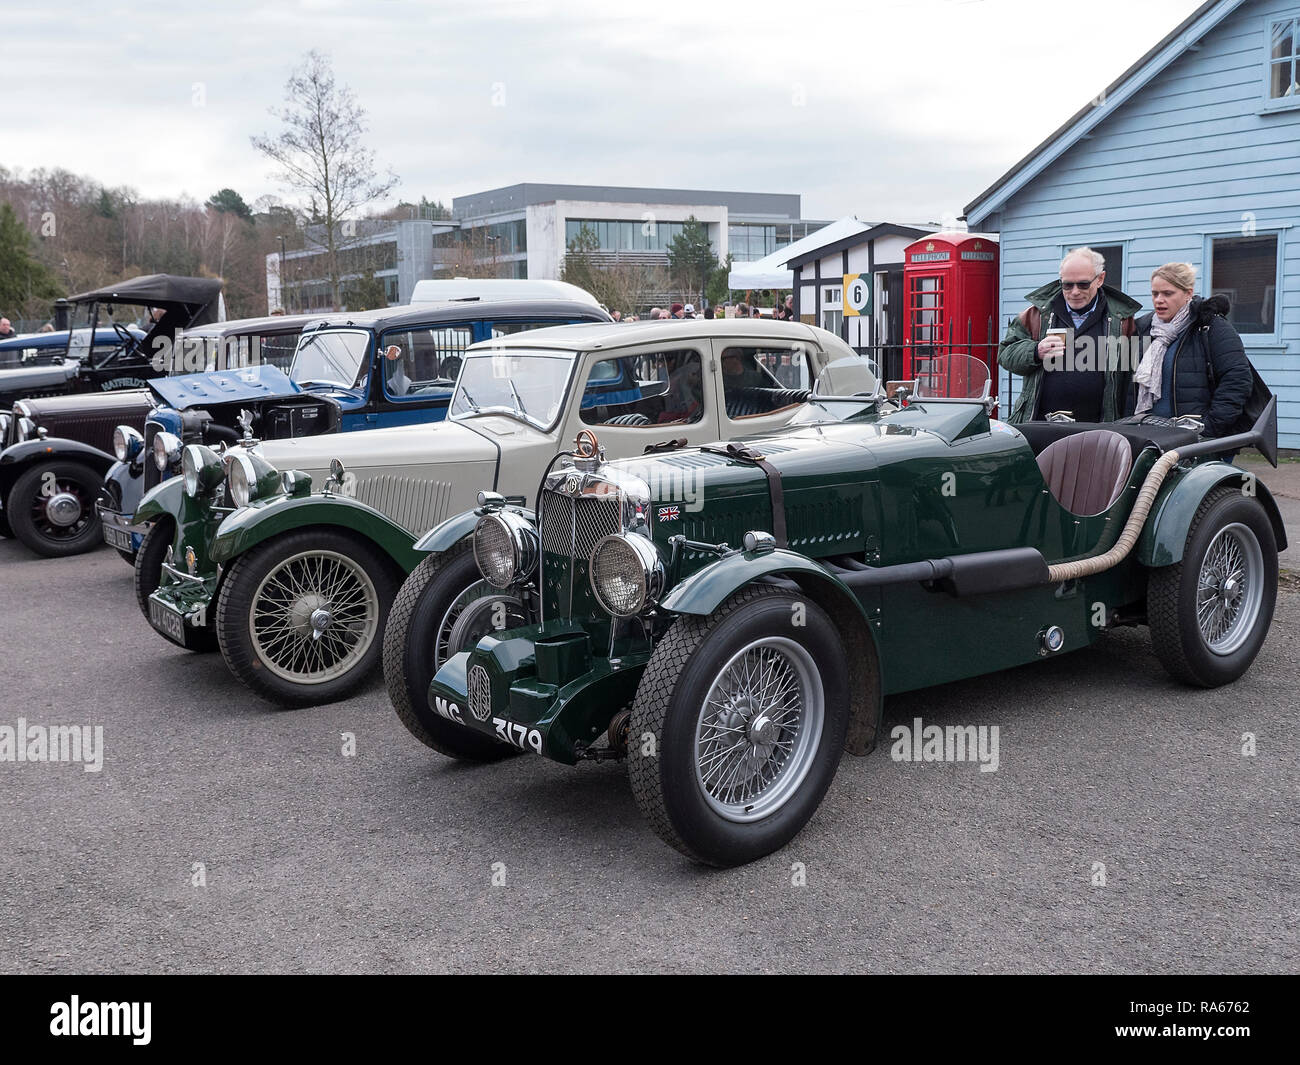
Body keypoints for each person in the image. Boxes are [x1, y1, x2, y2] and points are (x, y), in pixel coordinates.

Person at [997, 246, 1141, 423]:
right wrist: (1035, 351)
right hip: (1040, 426)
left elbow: (1133, 380)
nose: (1074, 292)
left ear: (1100, 279)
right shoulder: (1036, 314)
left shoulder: (1123, 320)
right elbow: (1005, 354)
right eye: (1067, 285)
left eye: (1083, 284)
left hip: (1098, 431)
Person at [1129, 263, 1253, 438]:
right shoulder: (1144, 329)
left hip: (1199, 441)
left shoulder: (1211, 326)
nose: (1159, 299)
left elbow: (1237, 380)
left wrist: (1208, 428)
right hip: (1152, 437)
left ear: (1188, 293)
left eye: (1167, 293)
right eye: (1155, 293)